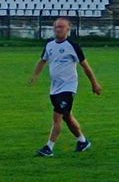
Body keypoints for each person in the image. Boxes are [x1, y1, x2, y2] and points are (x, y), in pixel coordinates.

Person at [29, 17, 102, 157]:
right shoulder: (49, 45)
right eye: (56, 27)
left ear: (68, 29)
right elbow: (42, 60)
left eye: (61, 27)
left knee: (57, 116)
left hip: (68, 87)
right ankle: (83, 141)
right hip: (55, 88)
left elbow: (86, 66)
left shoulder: (73, 46)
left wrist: (94, 83)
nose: (58, 29)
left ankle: (49, 148)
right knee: (67, 116)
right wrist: (35, 75)